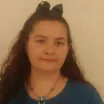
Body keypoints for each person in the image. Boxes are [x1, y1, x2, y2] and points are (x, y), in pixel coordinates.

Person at [0, 1, 103, 104]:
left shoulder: (87, 96)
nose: (50, 51)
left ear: (68, 48)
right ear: (26, 45)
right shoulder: (5, 92)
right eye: (41, 41)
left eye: (59, 43)